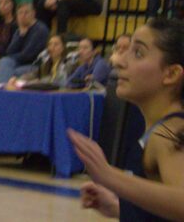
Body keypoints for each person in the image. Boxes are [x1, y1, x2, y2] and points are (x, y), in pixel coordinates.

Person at [69, 18, 184, 221]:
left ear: (171, 73)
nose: (118, 61)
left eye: (138, 53)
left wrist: (111, 176)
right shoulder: (161, 128)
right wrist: (120, 208)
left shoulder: (170, 132)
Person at [0, 3, 50, 83]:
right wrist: (21, 36)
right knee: (5, 62)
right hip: (20, 63)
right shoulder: (20, 29)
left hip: (35, 65)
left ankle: (5, 92)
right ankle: (6, 91)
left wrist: (9, 57)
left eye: (26, 12)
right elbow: (10, 51)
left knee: (10, 69)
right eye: (20, 13)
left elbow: (28, 55)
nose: (23, 15)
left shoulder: (40, 29)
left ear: (33, 13)